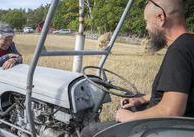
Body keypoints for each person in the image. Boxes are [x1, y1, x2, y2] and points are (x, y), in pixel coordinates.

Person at [81, 0, 194, 136]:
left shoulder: (178, 51)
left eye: (147, 21)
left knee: (88, 132)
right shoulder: (188, 43)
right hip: (181, 122)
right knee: (131, 100)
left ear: (160, 18)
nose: (146, 27)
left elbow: (172, 110)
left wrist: (131, 118)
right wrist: (141, 99)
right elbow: (179, 87)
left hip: (164, 128)